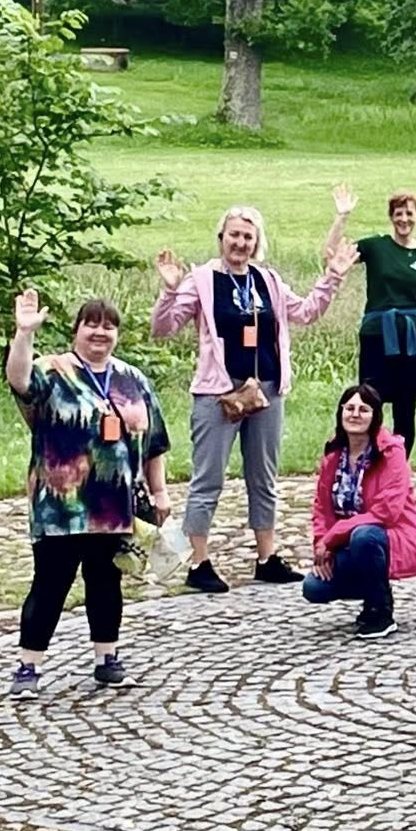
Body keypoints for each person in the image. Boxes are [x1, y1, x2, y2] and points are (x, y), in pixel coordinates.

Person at [152, 206, 354, 594]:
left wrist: (332, 277)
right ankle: (198, 562)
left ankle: (266, 557)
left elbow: (306, 312)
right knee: (208, 477)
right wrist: (170, 290)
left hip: (266, 390)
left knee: (264, 477)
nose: (240, 243)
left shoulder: (268, 280)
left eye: (248, 236)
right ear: (221, 237)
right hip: (219, 391)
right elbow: (164, 328)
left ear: (257, 242)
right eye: (234, 235)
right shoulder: (202, 279)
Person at [9, 292, 171, 700]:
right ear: (76, 330)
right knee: (51, 583)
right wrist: (24, 334)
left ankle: (107, 659)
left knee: (106, 581)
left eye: (109, 326)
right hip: (60, 506)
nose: (100, 332)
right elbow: (19, 381)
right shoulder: (52, 370)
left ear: (117, 334)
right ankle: (28, 666)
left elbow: (154, 442)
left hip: (114, 505)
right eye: (92, 324)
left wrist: (160, 491)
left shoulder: (133, 379)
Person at [302, 384, 416, 639]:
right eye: (349, 408)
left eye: (363, 410)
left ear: (375, 416)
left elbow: (386, 512)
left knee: (363, 536)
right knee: (314, 587)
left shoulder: (391, 453)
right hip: (346, 541)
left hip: (391, 536)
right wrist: (321, 544)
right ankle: (373, 589)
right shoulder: (333, 456)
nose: (355, 414)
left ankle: (380, 610)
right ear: (340, 413)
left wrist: (332, 538)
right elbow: (321, 508)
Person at [325, 187, 416, 455]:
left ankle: (398, 465)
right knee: (369, 400)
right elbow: (331, 254)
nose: (404, 219)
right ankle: (365, 460)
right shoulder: (376, 246)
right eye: (398, 214)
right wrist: (342, 216)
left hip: (412, 338)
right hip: (377, 334)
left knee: (406, 406)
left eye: (409, 213)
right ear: (391, 217)